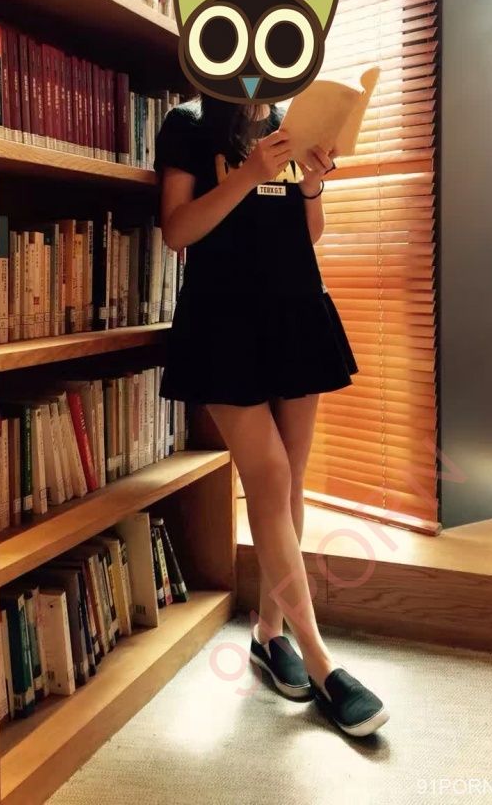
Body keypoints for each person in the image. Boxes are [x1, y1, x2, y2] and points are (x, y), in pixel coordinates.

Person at [152, 93, 389, 738]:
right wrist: (250, 174)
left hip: (296, 312)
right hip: (222, 321)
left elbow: (307, 235)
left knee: (290, 482)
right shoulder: (189, 123)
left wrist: (312, 185)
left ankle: (269, 631)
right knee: (270, 476)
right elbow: (177, 230)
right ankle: (321, 662)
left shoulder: (291, 123)